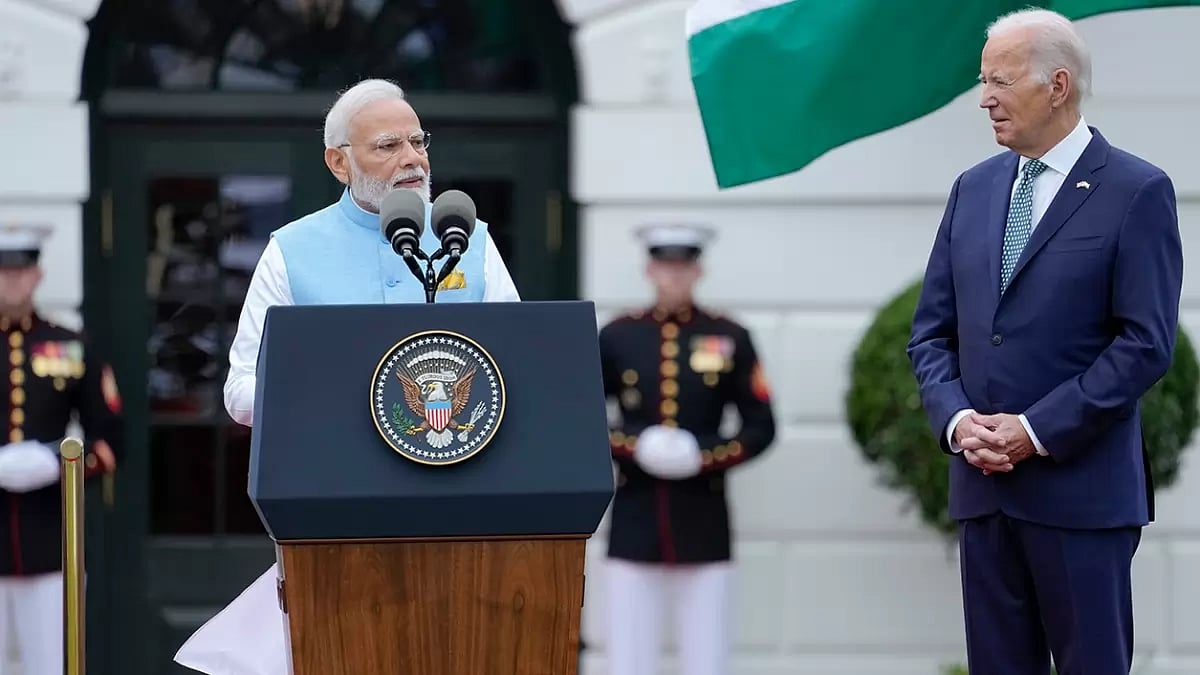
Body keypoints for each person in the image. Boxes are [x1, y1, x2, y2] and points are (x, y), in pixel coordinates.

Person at [174, 78, 520, 675]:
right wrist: (345, 394)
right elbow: (239, 391)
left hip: (465, 515)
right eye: (388, 146)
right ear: (339, 162)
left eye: (418, 141)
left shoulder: (472, 243)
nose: (412, 159)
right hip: (335, 518)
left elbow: (523, 369)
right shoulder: (292, 250)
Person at [907, 9, 1183, 675]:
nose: (985, 99)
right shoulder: (972, 190)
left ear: (1058, 85)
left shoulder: (1136, 190)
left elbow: (1145, 343)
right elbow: (931, 333)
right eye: (984, 81)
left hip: (1081, 498)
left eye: (1000, 81)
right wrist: (959, 421)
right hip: (983, 492)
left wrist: (1035, 428)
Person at [598, 223, 776, 675]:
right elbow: (583, 418)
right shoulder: (618, 337)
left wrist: (704, 455)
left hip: (704, 520)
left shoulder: (730, 335)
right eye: (664, 267)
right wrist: (634, 446)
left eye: (682, 267)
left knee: (707, 658)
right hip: (635, 521)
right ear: (649, 270)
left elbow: (760, 426)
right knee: (628, 658)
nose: (673, 277)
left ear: (698, 270)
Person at [0, 223, 122, 675]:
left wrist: (57, 464)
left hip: (51, 544)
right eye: (3, 271)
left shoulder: (71, 346)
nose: (12, 280)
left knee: (54, 666)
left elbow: (110, 442)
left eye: (22, 270)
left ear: (37, 275)